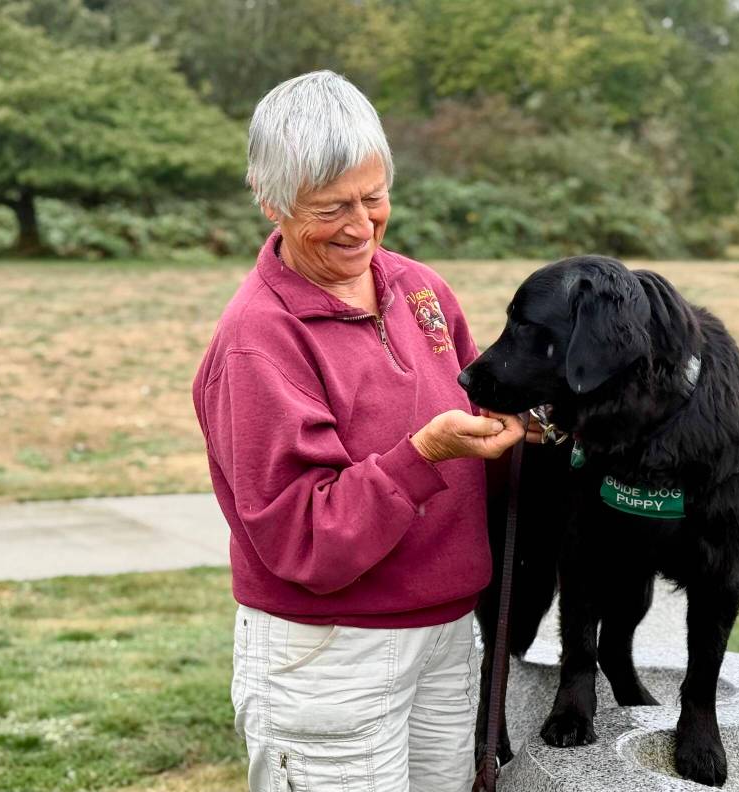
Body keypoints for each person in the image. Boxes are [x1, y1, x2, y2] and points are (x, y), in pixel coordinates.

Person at [192, 71, 528, 792]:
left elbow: (487, 422)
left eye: (373, 198)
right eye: (329, 207)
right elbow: (304, 539)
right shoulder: (258, 341)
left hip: (446, 637)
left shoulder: (420, 290)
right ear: (269, 200)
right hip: (332, 654)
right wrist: (423, 454)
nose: (359, 225)